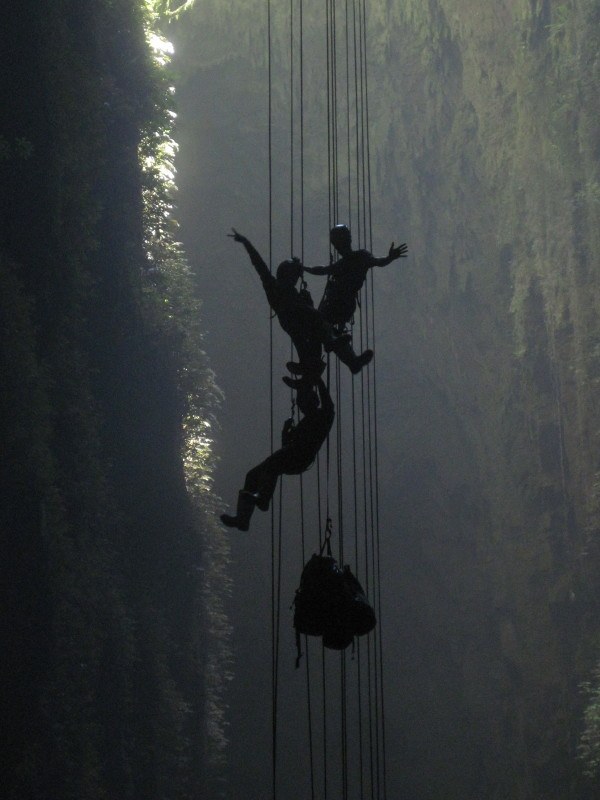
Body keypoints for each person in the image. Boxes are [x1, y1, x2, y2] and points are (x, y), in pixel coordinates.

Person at [229, 228, 373, 374]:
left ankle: (350, 361)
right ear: (287, 274)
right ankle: (329, 348)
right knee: (321, 326)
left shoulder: (292, 292)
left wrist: (307, 301)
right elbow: (259, 264)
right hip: (295, 318)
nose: (296, 279)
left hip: (298, 322)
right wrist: (246, 243)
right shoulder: (272, 285)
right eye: (295, 275)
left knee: (323, 333)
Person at [220, 376, 334, 530]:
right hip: (292, 456)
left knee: (272, 467)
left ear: (312, 402)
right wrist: (285, 433)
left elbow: (327, 402)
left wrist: (318, 380)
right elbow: (286, 445)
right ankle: (243, 518)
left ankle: (262, 499)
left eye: (303, 403)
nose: (301, 407)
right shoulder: (307, 422)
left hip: (300, 457)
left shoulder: (323, 417)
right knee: (252, 476)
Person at [304, 224, 408, 328]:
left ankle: (331, 336)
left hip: (339, 305)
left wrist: (304, 268)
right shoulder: (355, 259)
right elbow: (323, 270)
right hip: (341, 305)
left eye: (337, 244)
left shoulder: (355, 259)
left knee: (317, 324)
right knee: (318, 324)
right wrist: (389, 258)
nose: (337, 248)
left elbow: (323, 270)